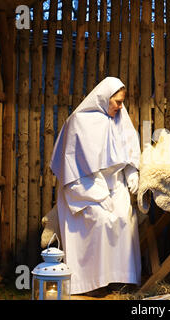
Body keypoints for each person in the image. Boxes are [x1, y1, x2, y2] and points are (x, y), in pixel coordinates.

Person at [50, 77, 141, 296]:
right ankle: (93, 282)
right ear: (103, 98)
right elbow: (71, 171)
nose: (120, 107)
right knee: (99, 220)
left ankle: (121, 278)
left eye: (122, 102)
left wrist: (131, 173)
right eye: (117, 102)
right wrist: (98, 195)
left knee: (122, 216)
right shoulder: (78, 122)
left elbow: (129, 154)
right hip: (84, 190)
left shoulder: (121, 118)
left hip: (114, 185)